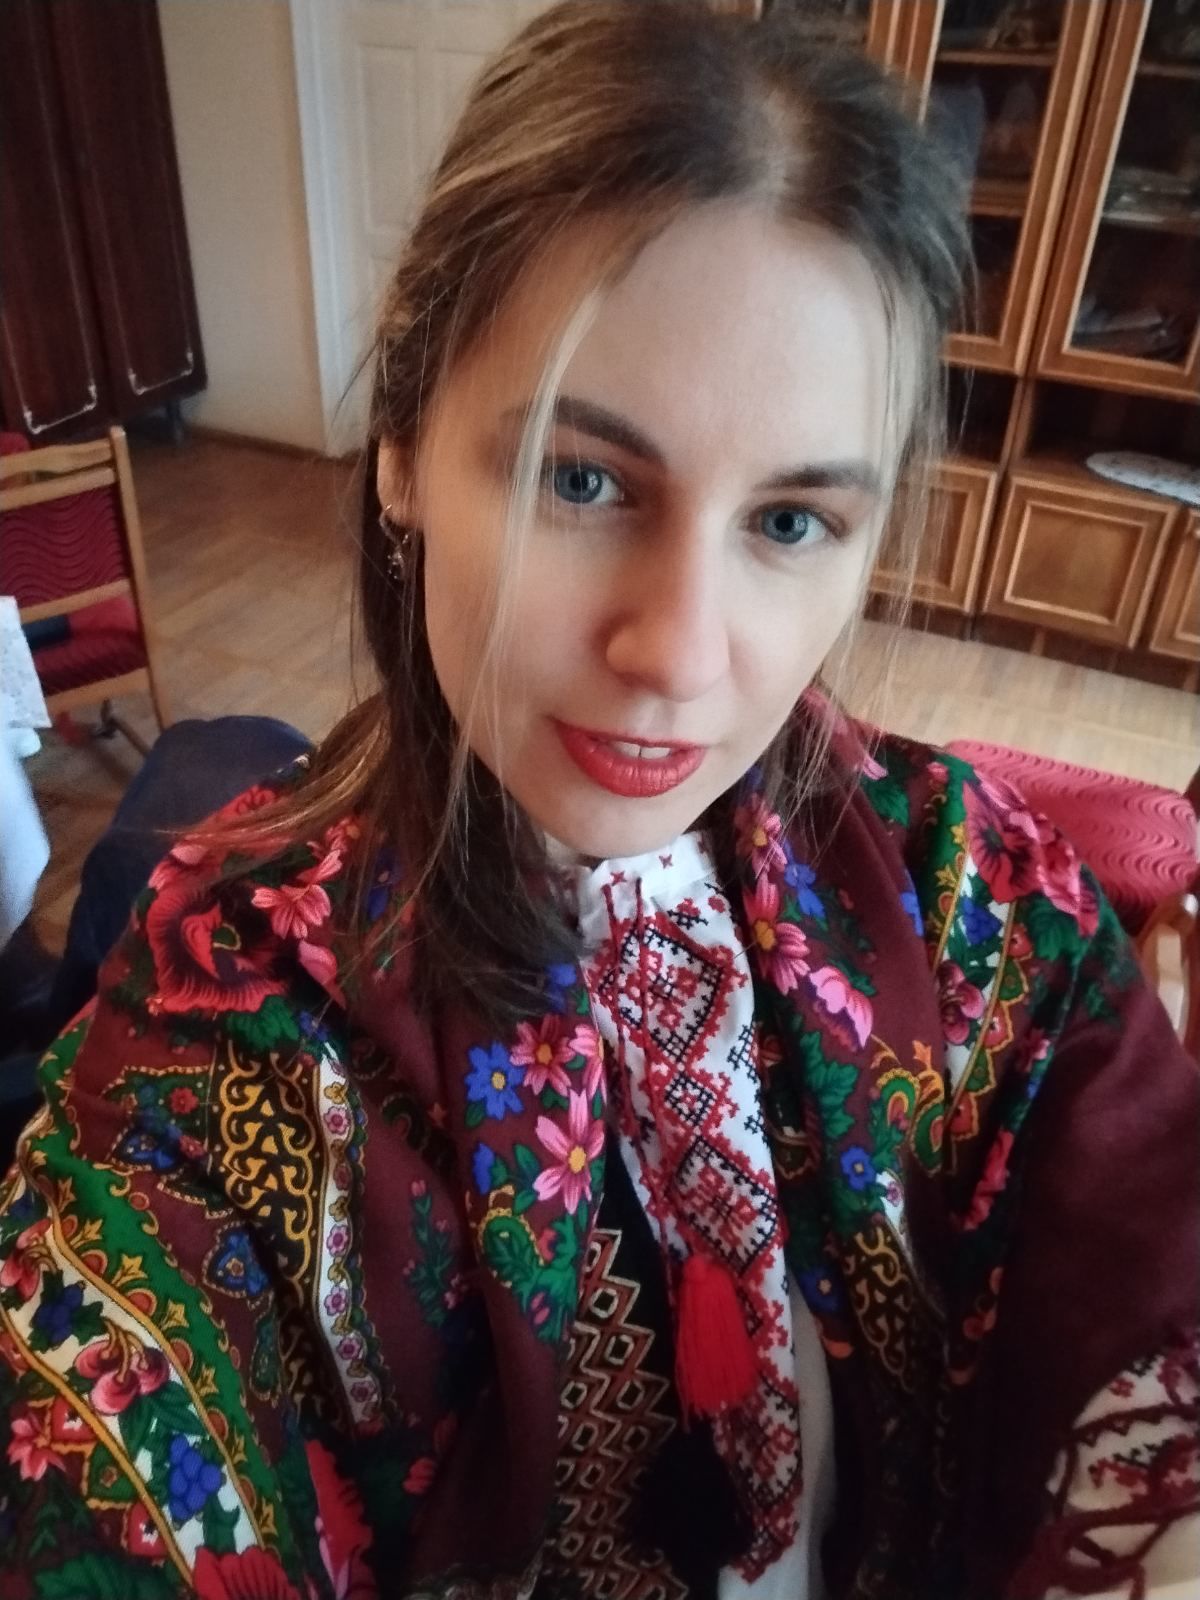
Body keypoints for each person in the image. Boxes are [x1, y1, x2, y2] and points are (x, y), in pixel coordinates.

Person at [0, 6, 1195, 1598]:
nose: (680, 655)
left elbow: (1150, 1241)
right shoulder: (222, 1019)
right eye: (582, 480)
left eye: (789, 521)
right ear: (404, 448)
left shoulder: (965, 883)